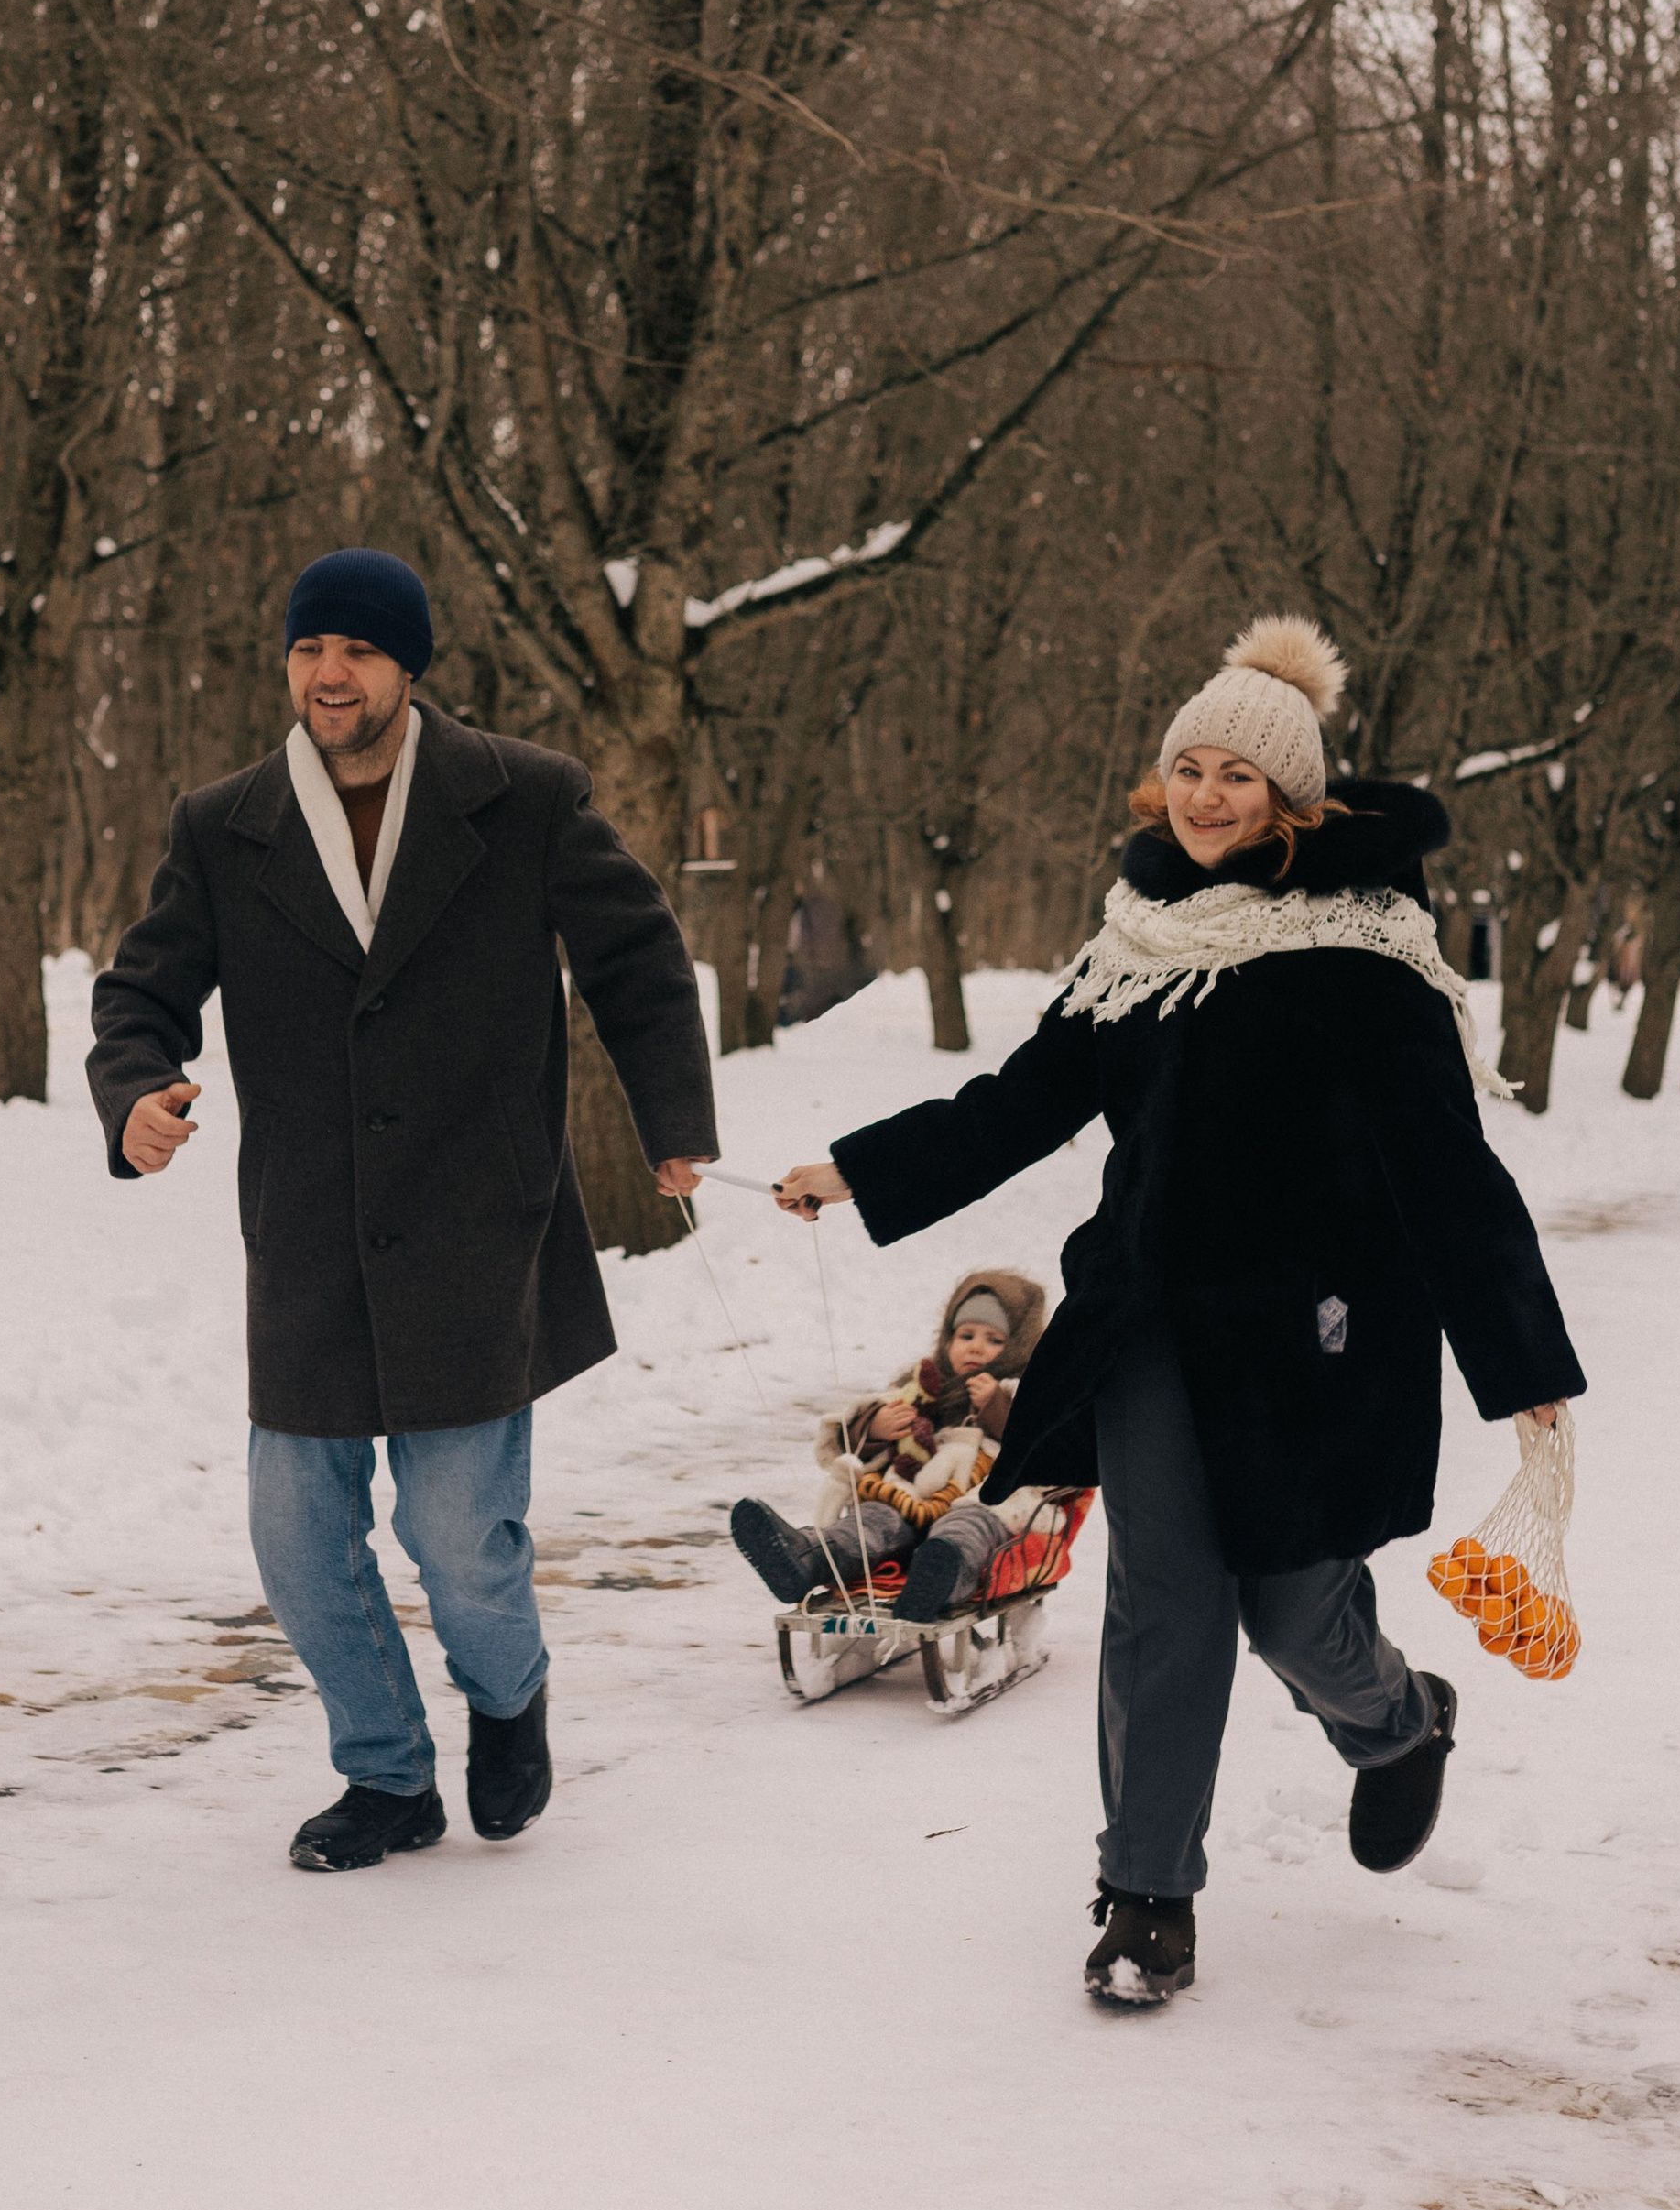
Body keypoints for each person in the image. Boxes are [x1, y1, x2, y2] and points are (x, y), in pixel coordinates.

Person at [771, 616, 1586, 2008]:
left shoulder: (1365, 950)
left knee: (1289, 1615)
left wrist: (1522, 1363)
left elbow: (1449, 1170)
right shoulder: (1142, 943)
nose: (1207, 795)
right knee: (1165, 1606)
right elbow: (1021, 1103)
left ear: (1293, 795)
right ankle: (1148, 1893)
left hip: (1323, 1338)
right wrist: (858, 1169)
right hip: (1151, 1322)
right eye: (1189, 768)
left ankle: (1396, 1723)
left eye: (1239, 775)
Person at [86, 548, 719, 1872]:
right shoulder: (225, 823)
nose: (332, 675)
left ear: (409, 668)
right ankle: (385, 1777)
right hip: (309, 1233)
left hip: (478, 1223)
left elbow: (637, 953)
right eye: (311, 650)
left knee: (454, 1533)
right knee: (298, 1535)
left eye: (361, 653)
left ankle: (508, 1699)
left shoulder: (523, 799)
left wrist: (672, 1123)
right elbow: (142, 989)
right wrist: (138, 1089)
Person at [729, 1267, 1069, 1619]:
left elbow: (1051, 1449)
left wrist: (996, 1409)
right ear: (947, 1338)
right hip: (909, 1495)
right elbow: (855, 1444)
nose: (976, 1347)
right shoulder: (924, 1385)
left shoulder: (1029, 1391)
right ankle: (808, 1557)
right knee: (872, 1522)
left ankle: (939, 1578)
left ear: (1017, 1347)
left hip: (983, 1497)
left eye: (994, 1340)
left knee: (967, 1530)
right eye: (965, 1335)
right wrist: (875, 1427)